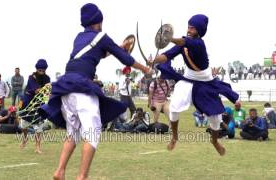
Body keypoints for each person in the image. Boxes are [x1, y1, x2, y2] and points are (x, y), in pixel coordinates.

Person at [39, 3, 150, 179]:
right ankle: (82, 176)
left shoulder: (79, 37)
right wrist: (145, 69)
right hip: (82, 88)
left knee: (73, 133)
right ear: (99, 21)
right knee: (93, 133)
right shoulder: (102, 36)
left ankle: (60, 170)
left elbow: (97, 52)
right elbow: (126, 59)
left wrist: (118, 46)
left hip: (66, 88)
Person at [151, 14, 239, 156]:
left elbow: (182, 42)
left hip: (205, 83)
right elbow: (167, 55)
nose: (189, 30)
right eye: (188, 27)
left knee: (216, 119)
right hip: (187, 80)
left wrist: (168, 38)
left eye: (192, 28)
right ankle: (174, 136)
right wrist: (154, 61)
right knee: (174, 108)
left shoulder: (198, 43)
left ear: (199, 30)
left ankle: (215, 141)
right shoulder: (183, 44)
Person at [19, 59, 50, 154]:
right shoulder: (31, 77)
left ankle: (37, 147)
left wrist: (48, 90)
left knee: (38, 126)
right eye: (39, 69)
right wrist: (45, 89)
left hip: (39, 104)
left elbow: (47, 91)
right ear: (36, 69)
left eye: (43, 69)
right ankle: (25, 139)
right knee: (23, 125)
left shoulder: (47, 78)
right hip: (28, 103)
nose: (41, 71)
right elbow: (37, 90)